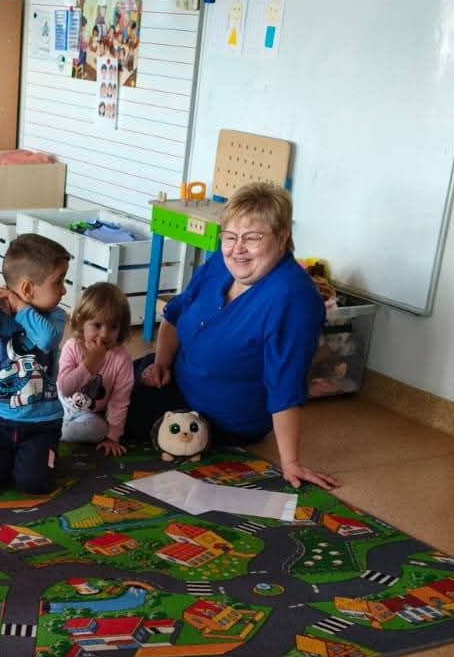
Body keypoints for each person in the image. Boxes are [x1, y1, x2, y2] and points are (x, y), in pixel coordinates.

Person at [129, 182, 337, 490]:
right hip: (178, 376)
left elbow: (285, 385)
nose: (237, 248)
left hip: (221, 414)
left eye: (252, 238)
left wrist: (290, 462)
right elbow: (177, 312)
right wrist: (161, 362)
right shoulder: (221, 262)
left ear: (282, 237)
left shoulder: (292, 299)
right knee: (106, 384)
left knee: (115, 417)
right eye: (230, 236)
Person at [0, 233, 70, 495]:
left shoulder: (56, 316)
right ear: (27, 288)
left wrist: (22, 308)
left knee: (34, 484)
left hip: (43, 424)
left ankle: (34, 458)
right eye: (59, 281)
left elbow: (46, 340)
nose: (64, 289)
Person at [58, 282, 135, 456]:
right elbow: (65, 389)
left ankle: (57, 431)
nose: (105, 334)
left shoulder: (122, 359)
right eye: (97, 325)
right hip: (59, 404)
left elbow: (120, 401)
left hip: (89, 415)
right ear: (81, 322)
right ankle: (51, 427)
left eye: (113, 326)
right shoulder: (72, 347)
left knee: (99, 430)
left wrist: (113, 436)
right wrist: (90, 363)